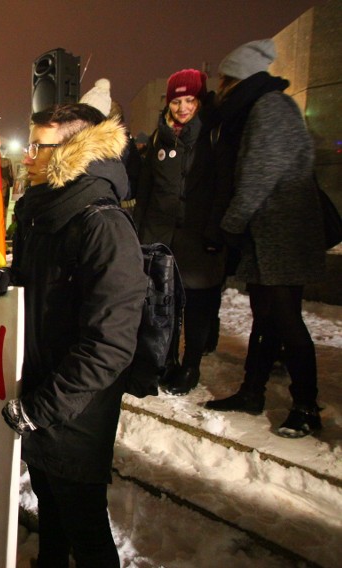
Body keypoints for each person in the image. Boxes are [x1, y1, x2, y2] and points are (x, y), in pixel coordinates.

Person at [0, 103, 146, 568]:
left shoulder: (103, 225)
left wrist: (42, 408)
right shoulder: (46, 211)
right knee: (52, 510)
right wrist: (8, 284)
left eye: (38, 146)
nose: (27, 156)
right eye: (28, 144)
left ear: (74, 151)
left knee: (86, 530)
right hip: (41, 395)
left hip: (74, 411)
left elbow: (109, 344)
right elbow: (45, 291)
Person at [203, 39, 326, 438]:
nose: (220, 86)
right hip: (267, 231)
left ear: (238, 78)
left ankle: (306, 406)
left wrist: (232, 222)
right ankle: (251, 392)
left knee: (288, 319)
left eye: (224, 78)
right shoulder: (255, 107)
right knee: (266, 315)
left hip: (282, 232)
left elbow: (261, 172)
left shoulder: (270, 107)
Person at [133, 69, 223, 395]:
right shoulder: (159, 136)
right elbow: (146, 189)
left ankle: (191, 365)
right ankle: (165, 360)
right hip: (160, 235)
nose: (182, 108)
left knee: (197, 304)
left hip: (199, 237)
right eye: (176, 101)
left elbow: (222, 187)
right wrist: (141, 234)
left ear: (200, 100)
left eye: (189, 100)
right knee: (163, 304)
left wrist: (215, 233)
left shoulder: (213, 133)